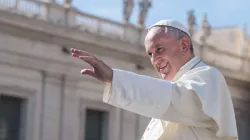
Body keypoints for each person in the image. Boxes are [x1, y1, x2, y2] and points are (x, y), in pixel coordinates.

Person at [71, 19, 238, 140]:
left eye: (159, 49)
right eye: (150, 54)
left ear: (184, 45)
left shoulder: (207, 76)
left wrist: (114, 78)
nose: (155, 59)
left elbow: (177, 99)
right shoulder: (171, 91)